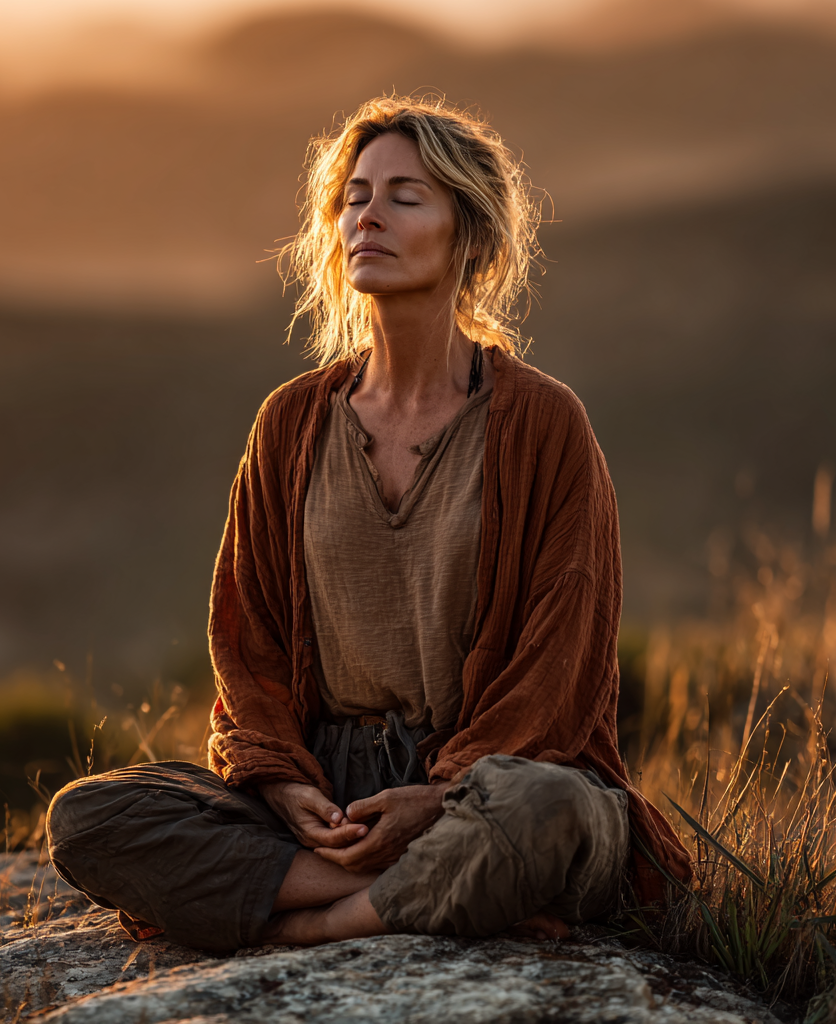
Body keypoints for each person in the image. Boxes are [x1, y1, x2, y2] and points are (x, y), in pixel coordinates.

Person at [45, 95, 691, 952]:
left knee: (549, 812)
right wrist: (281, 784)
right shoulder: (291, 422)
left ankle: (313, 920)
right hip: (330, 796)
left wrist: (445, 797)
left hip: (492, 782)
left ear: (471, 237)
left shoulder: (543, 423)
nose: (368, 216)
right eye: (354, 196)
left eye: (405, 196)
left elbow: (561, 661)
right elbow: (249, 644)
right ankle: (397, 894)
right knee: (91, 817)